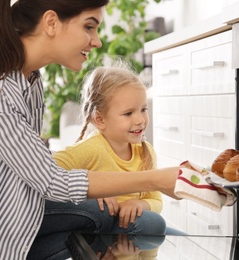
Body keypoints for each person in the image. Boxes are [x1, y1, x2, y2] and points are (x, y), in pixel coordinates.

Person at [0, 0, 184, 259]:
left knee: (120, 220)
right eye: (89, 27)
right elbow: (51, 180)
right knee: (101, 215)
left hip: (13, 212)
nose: (96, 41)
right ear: (51, 22)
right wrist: (156, 178)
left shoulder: (30, 81)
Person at [52, 61, 165, 235]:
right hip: (102, 227)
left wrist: (139, 204)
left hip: (134, 228)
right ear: (99, 120)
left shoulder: (145, 151)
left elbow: (156, 200)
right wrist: (90, 193)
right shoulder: (92, 148)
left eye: (143, 109)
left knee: (160, 226)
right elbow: (49, 170)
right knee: (153, 223)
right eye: (128, 113)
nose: (140, 120)